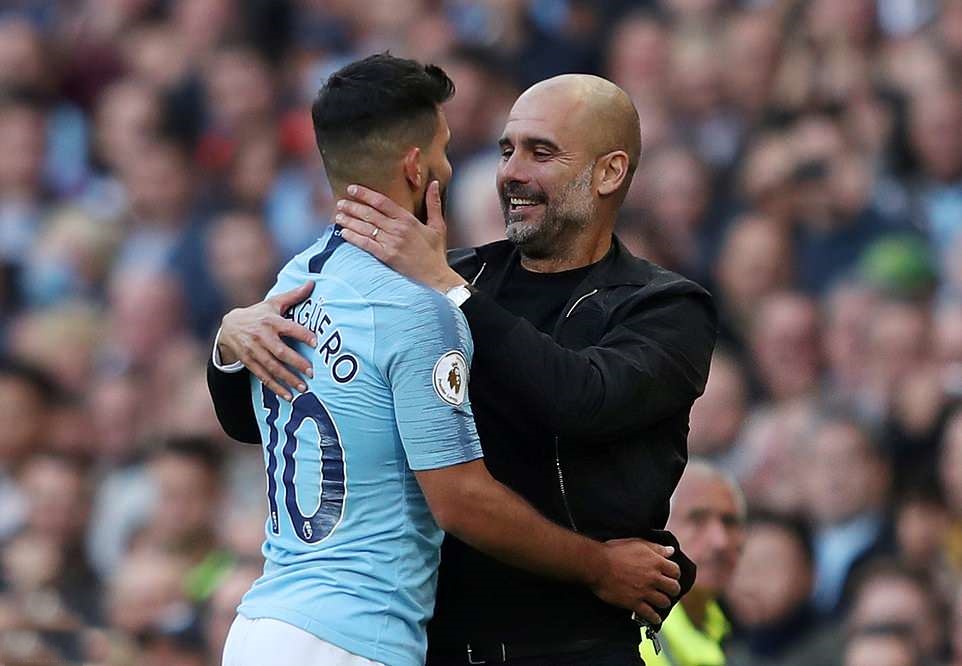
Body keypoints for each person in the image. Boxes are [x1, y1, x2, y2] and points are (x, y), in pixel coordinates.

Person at [211, 70, 715, 664]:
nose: (511, 173)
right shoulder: (443, 280)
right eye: (506, 151)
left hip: (570, 645)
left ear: (609, 172)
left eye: (540, 153)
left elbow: (585, 400)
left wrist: (449, 292)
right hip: (437, 645)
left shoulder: (666, 308)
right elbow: (270, 418)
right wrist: (232, 341)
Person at [640, 461, 746, 666]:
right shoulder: (626, 635)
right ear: (658, 527)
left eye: (729, 521)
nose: (720, 541)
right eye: (697, 519)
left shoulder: (731, 631)